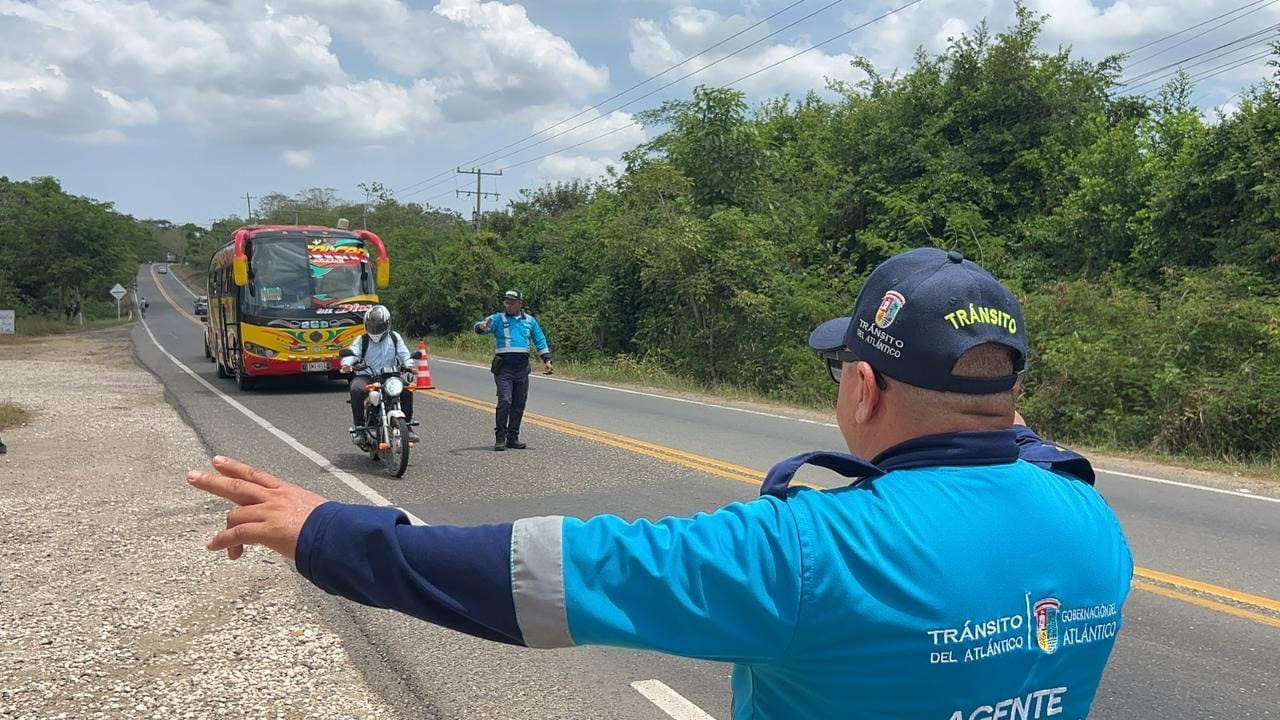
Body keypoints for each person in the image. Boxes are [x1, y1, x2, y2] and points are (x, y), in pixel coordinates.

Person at [188, 248, 1133, 720]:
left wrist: (322, 529)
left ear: (862, 385)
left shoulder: (811, 550)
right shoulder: (1091, 517)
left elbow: (542, 574)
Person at [472, 289, 553, 450]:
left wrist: (547, 360)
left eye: (511, 303)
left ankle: (513, 437)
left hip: (522, 368)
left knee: (518, 403)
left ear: (520, 304)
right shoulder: (498, 319)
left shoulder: (530, 321)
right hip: (504, 368)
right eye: (506, 303)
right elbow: (480, 327)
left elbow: (540, 339)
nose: (508, 306)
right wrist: (481, 327)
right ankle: (500, 437)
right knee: (505, 401)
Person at [340, 305, 419, 445]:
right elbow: (353, 353)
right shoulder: (362, 340)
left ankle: (407, 426)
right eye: (372, 326)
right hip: (366, 375)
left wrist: (410, 366)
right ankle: (360, 429)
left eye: (379, 326)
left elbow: (404, 354)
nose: (375, 330)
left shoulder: (394, 338)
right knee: (356, 389)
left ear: (387, 324)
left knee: (406, 389)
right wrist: (346, 364)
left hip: (390, 375)